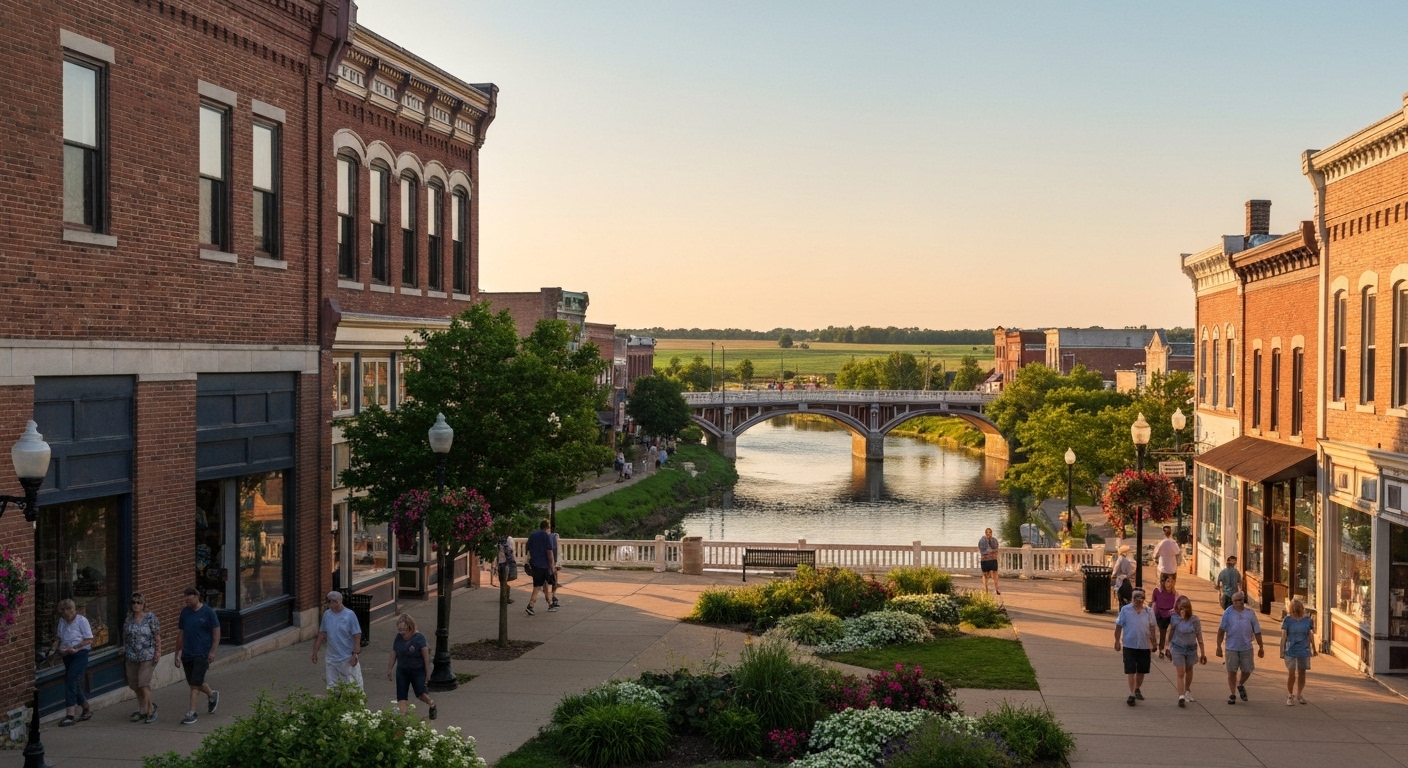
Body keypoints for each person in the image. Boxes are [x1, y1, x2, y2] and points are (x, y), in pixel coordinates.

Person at [174, 587, 220, 726]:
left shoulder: (208, 612)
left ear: (197, 596)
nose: (187, 599)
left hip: (202, 653)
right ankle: (212, 695)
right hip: (188, 653)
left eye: (190, 596)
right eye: (185, 596)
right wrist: (177, 652)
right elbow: (181, 633)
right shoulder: (185, 613)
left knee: (195, 685)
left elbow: (216, 633)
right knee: (195, 682)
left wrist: (212, 652)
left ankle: (192, 713)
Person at [1215, 591, 1264, 705]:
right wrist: (1218, 646)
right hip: (1231, 647)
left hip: (1246, 646)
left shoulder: (1250, 613)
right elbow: (1221, 630)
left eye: (1241, 600)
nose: (1239, 602)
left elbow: (1257, 630)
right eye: (1237, 600)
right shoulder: (1228, 613)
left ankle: (1240, 684)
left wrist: (1261, 647)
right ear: (1233, 602)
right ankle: (1232, 694)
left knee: (1247, 670)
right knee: (1232, 671)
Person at [311, 590, 364, 689]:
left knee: (352, 685)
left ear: (339, 601)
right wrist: (315, 652)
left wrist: (355, 654)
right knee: (332, 686)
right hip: (332, 658)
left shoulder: (349, 615)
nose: (329, 604)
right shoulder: (327, 615)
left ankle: (356, 702)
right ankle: (334, 701)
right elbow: (322, 634)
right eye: (328, 601)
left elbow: (356, 634)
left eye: (331, 601)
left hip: (346, 657)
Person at [1113, 588, 1157, 706]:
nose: (1137, 601)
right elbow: (1118, 625)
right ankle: (1131, 693)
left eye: (1140, 598)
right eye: (1135, 598)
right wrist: (1117, 641)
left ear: (1143, 599)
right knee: (1131, 670)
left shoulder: (1149, 612)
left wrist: (1154, 642)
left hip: (1144, 645)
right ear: (1132, 599)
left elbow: (1152, 627)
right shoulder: (1125, 610)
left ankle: (1137, 688)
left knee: (1141, 671)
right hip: (1129, 644)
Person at [387, 613, 436, 719]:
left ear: (410, 627)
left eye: (404, 630)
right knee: (401, 695)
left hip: (417, 669)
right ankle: (402, 717)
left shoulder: (419, 638)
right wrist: (390, 668)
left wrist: (428, 671)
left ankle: (431, 704)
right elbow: (394, 652)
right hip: (402, 670)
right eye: (400, 630)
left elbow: (425, 654)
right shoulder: (398, 638)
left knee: (420, 693)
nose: (402, 633)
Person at [123, 593, 161, 724]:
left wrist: (157, 653)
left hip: (147, 655)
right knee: (134, 685)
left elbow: (157, 636)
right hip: (131, 656)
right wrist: (123, 649)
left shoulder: (150, 618)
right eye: (133, 602)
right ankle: (142, 709)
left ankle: (151, 710)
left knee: (143, 684)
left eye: (139, 603)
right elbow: (125, 636)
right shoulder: (128, 619)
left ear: (143, 604)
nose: (136, 605)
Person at [55, 599, 93, 727]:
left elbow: (89, 639)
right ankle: (86, 707)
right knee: (74, 682)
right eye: (63, 615)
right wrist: (57, 649)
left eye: (67, 614)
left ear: (72, 610)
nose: (65, 617)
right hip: (67, 654)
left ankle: (70, 714)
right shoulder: (62, 621)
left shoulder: (82, 621)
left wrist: (76, 647)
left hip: (80, 654)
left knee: (70, 680)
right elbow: (59, 638)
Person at [1163, 595, 1207, 707]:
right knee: (1180, 672)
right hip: (1178, 647)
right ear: (1177, 607)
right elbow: (1171, 632)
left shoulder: (1194, 620)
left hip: (1191, 648)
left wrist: (1203, 653)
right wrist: (1167, 646)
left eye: (1186, 607)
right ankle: (1181, 696)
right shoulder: (1175, 619)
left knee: (1189, 669)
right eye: (1181, 607)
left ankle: (1187, 690)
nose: (1184, 610)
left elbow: (1199, 636)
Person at [1280, 597, 1316, 706]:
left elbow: (1310, 634)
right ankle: (1290, 695)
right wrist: (1281, 650)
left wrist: (1313, 648)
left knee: (1302, 672)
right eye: (1294, 609)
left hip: (1303, 649)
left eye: (1298, 609)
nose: (1296, 612)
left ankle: (1299, 694)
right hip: (1291, 649)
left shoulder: (1307, 620)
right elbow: (1284, 635)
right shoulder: (1288, 620)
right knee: (1291, 672)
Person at [525, 519, 557, 615]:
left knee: (545, 583)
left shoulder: (532, 536)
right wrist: (552, 566)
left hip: (534, 564)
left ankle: (550, 603)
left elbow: (528, 549)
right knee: (538, 586)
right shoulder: (547, 537)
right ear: (547, 527)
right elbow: (549, 552)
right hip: (543, 565)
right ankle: (530, 605)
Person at [1151, 574, 1179, 659]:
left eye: (1172, 582)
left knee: (1171, 631)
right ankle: (1161, 649)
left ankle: (1168, 649)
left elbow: (1176, 606)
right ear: (1163, 582)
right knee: (1160, 632)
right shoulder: (1157, 591)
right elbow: (1154, 602)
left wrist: (1170, 613)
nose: (1169, 584)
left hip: (1170, 615)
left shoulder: (1175, 594)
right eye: (1168, 581)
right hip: (1159, 614)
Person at [978, 528, 1001, 595]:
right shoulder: (982, 541)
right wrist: (989, 552)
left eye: (990, 532)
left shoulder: (994, 540)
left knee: (995, 574)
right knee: (985, 575)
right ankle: (986, 590)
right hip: (985, 560)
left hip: (993, 560)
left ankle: (996, 589)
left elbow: (996, 550)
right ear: (985, 533)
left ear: (991, 533)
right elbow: (981, 551)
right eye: (987, 532)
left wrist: (989, 552)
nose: (988, 534)